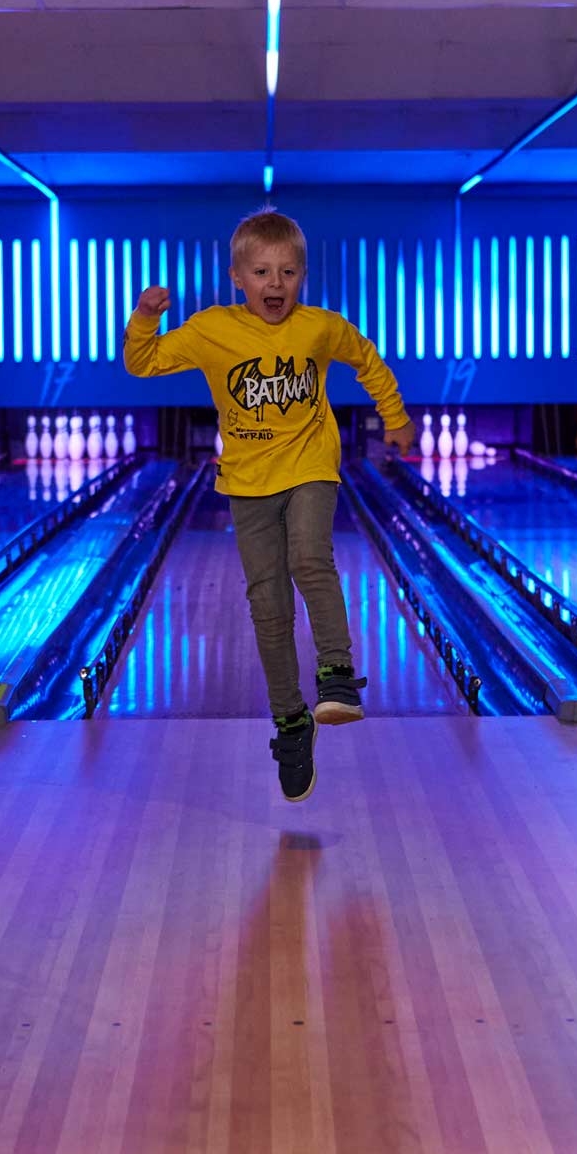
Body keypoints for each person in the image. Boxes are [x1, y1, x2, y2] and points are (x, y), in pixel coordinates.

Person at [124, 208, 416, 802]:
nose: (275, 284)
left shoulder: (320, 326)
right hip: (247, 483)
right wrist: (146, 317)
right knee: (269, 607)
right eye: (261, 272)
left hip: (311, 466)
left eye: (287, 272)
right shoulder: (211, 330)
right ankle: (290, 721)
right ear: (238, 277)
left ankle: (336, 675)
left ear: (302, 275)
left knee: (311, 558)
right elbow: (143, 362)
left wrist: (396, 417)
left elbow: (367, 359)